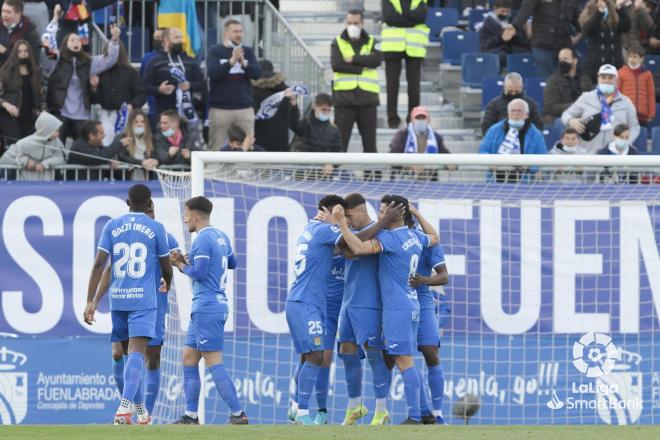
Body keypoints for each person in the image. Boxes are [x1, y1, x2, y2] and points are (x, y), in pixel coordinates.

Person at [330, 194, 439, 424]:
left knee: (403, 362)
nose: (380, 216)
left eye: (382, 212)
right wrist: (417, 214)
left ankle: (415, 416)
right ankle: (421, 413)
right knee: (403, 360)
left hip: (396, 307)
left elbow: (357, 249)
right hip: (411, 304)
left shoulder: (391, 239)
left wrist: (341, 223)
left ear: (396, 213)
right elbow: (435, 237)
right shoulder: (415, 236)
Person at [83, 183, 173, 425]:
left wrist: (90, 301)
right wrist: (168, 282)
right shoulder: (156, 228)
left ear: (128, 201)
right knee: (136, 352)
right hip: (143, 300)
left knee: (127, 354)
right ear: (149, 203)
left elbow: (99, 265)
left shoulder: (112, 225)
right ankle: (124, 408)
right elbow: (166, 266)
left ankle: (140, 409)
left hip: (119, 299)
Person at [170, 196, 248, 425]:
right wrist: (191, 259)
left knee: (213, 361)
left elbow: (200, 274)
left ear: (194, 216)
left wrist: (181, 265)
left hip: (207, 306)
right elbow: (232, 263)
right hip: (210, 305)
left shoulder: (202, 239)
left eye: (186, 216)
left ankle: (238, 413)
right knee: (188, 358)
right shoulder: (221, 235)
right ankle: (191, 416)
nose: (185, 221)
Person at [333, 193, 395, 426]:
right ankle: (355, 406)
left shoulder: (382, 233)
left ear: (360, 211)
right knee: (347, 352)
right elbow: (342, 247)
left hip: (370, 303)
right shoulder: (350, 232)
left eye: (348, 216)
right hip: (348, 303)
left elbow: (356, 249)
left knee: (374, 354)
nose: (346, 221)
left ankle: (381, 410)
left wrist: (380, 223)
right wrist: (343, 225)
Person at [285, 194, 347, 425]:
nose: (344, 220)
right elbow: (352, 240)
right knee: (316, 356)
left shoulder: (313, 228)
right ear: (332, 211)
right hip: (305, 302)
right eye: (340, 213)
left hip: (306, 301)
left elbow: (339, 250)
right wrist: (342, 222)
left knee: (308, 355)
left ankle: (294, 406)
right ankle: (302, 413)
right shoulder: (324, 230)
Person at [407, 206, 449, 425]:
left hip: (421, 298)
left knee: (430, 351)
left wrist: (423, 280)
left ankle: (438, 413)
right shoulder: (385, 236)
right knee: (395, 356)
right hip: (394, 300)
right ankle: (420, 412)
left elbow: (443, 277)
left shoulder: (426, 241)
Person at [45, 24, 120, 143]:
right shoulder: (58, 60)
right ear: (65, 44)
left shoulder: (88, 62)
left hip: (81, 114)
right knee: (57, 148)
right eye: (72, 40)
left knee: (82, 148)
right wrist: (54, 19)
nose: (76, 42)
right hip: (60, 111)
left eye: (78, 40)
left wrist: (114, 40)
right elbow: (47, 48)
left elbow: (109, 60)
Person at [331, 9, 381, 153]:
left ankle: (371, 175)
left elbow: (376, 60)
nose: (352, 26)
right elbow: (337, 65)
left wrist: (353, 59)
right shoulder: (337, 42)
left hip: (368, 100)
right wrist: (362, 67)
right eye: (350, 23)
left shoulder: (372, 41)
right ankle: (335, 174)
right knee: (340, 143)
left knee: (370, 145)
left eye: (356, 23)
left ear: (362, 23)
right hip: (344, 100)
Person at [207, 19, 261, 150]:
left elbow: (257, 74)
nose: (239, 34)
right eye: (235, 31)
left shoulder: (247, 51)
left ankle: (246, 171)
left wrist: (244, 63)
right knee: (217, 147)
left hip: (244, 108)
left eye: (241, 31)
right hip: (221, 109)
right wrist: (231, 62)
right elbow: (213, 73)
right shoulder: (215, 51)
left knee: (247, 147)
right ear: (226, 33)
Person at [562, 64, 640, 154]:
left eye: (610, 78)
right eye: (603, 77)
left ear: (617, 80)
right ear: (598, 79)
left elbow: (635, 126)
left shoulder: (626, 102)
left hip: (614, 156)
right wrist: (571, 121)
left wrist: (626, 141)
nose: (606, 81)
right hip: (588, 155)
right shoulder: (586, 97)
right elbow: (566, 114)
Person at [142, 27, 205, 128]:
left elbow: (202, 84)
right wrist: (159, 89)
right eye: (176, 38)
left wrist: (190, 85)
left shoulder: (190, 61)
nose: (181, 41)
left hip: (186, 114)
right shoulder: (154, 61)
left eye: (181, 37)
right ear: (166, 40)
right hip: (163, 115)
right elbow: (144, 87)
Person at [381, 0, 429, 128]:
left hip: (414, 46)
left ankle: (413, 117)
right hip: (393, 45)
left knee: (414, 86)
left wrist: (401, 16)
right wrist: (410, 19)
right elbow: (389, 18)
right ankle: (392, 118)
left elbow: (421, 17)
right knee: (392, 85)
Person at [480, 98, 547, 182]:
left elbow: (542, 157)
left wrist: (530, 166)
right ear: (508, 113)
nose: (516, 114)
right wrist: (491, 162)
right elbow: (483, 151)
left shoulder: (536, 134)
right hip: (496, 180)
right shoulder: (494, 130)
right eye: (513, 111)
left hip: (525, 181)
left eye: (519, 111)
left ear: (527, 114)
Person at [94, 40, 146, 146]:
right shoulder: (100, 72)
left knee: (127, 145)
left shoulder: (131, 72)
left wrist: (132, 105)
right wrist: (94, 87)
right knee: (106, 144)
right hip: (107, 114)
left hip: (126, 115)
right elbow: (95, 99)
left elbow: (141, 94)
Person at [512, 0, 582, 77]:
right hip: (543, 45)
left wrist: (582, 32)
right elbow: (525, 10)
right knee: (547, 78)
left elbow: (579, 18)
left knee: (570, 75)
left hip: (564, 44)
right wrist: (514, 26)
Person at [289, 93, 343, 179]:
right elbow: (293, 124)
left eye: (329, 110)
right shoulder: (305, 124)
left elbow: (339, 152)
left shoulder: (334, 130)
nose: (326, 112)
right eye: (323, 109)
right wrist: (294, 106)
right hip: (302, 175)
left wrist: (332, 164)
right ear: (314, 107)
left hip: (324, 177)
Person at [0, 39, 42, 145]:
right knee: (13, 147)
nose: (23, 54)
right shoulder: (5, 71)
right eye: (19, 51)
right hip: (10, 118)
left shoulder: (35, 72)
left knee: (28, 147)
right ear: (15, 53)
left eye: (25, 51)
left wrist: (42, 110)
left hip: (30, 118)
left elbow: (41, 94)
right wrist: (6, 105)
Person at [0, 111, 65, 179]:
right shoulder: (24, 143)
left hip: (47, 185)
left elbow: (61, 157)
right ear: (46, 130)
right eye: (55, 130)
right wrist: (26, 162)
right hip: (25, 184)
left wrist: (45, 164)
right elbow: (4, 159)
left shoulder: (57, 142)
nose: (58, 134)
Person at [579, 0, 631, 80]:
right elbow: (589, 30)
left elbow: (626, 26)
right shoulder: (591, 15)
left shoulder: (614, 21)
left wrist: (620, 8)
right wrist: (600, 12)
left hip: (615, 65)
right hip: (595, 67)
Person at [543, 48, 594, 128]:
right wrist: (573, 107)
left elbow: (593, 100)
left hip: (583, 116)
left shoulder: (585, 79)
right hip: (560, 117)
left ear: (575, 61)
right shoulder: (553, 80)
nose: (562, 62)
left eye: (565, 59)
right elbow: (551, 106)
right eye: (560, 59)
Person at [251, 59, 292, 152]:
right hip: (281, 141)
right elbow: (291, 117)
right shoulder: (285, 90)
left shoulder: (252, 90)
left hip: (259, 141)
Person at [478, 0, 531, 68]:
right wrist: (501, 38)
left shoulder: (514, 21)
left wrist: (515, 35)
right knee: (501, 56)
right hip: (498, 52)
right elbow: (484, 45)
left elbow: (525, 41)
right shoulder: (487, 24)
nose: (505, 14)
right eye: (502, 11)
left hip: (515, 50)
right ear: (495, 9)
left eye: (507, 11)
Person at [110, 109, 159, 180]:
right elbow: (123, 157)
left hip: (147, 178)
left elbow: (156, 155)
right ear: (130, 123)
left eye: (142, 122)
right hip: (126, 178)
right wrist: (141, 163)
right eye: (136, 122)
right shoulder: (122, 138)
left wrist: (155, 161)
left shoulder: (152, 139)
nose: (139, 125)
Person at [617, 45, 656, 126]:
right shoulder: (621, 72)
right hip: (625, 114)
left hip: (642, 115)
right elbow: (617, 93)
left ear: (641, 59)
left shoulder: (647, 74)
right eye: (630, 56)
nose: (632, 59)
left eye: (635, 57)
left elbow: (651, 95)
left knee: (640, 136)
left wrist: (651, 113)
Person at [0, 0, 41, 66]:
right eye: (3, 11)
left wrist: (5, 51)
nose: (4, 15)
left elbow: (32, 62)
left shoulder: (31, 34)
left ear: (18, 14)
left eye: (8, 12)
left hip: (16, 74)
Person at [140, 28, 165, 128]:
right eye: (154, 38)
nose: (155, 40)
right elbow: (142, 81)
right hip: (153, 106)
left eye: (159, 38)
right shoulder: (147, 57)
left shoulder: (175, 57)